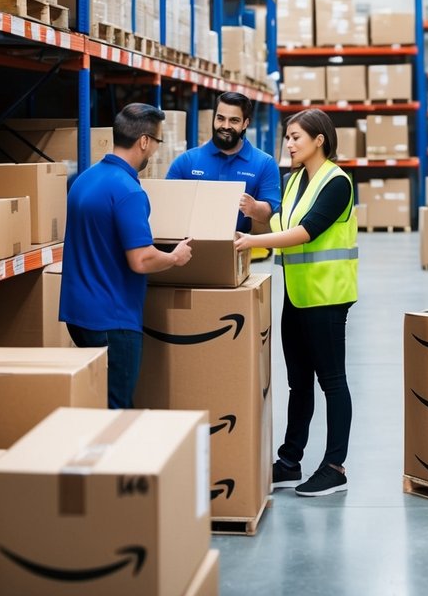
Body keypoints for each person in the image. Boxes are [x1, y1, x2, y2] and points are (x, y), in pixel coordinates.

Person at [234, 109, 357, 497]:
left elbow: (305, 232)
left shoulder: (337, 182)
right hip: (297, 295)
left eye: (296, 138)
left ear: (319, 140)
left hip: (328, 297)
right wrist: (256, 214)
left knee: (332, 381)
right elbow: (280, 224)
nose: (289, 144)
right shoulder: (292, 181)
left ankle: (335, 467)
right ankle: (289, 461)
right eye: (287, 138)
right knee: (298, 383)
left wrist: (252, 243)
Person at [60, 103, 193, 409]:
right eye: (157, 142)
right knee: (117, 410)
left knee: (92, 403)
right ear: (144, 141)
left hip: (78, 315)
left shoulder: (84, 180)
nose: (156, 151)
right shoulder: (128, 190)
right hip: (112, 320)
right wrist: (175, 256)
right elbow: (141, 259)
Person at [167, 91, 282, 235]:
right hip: (191, 247)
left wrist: (253, 207)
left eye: (234, 120)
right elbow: (169, 207)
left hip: (240, 247)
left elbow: (269, 215)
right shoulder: (186, 161)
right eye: (220, 118)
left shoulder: (264, 163)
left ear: (246, 123)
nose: (225, 126)